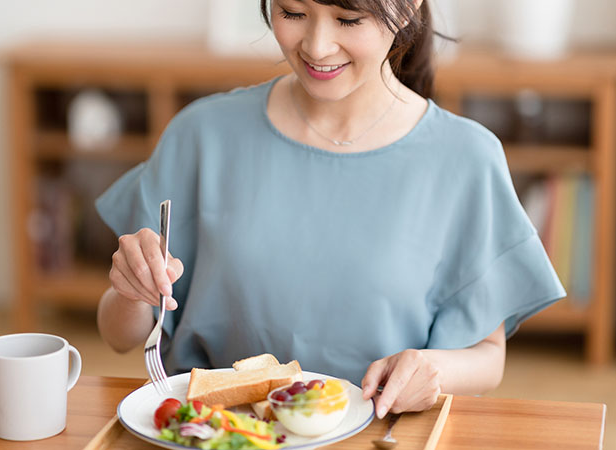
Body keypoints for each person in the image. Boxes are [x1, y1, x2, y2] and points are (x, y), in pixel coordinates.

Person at [95, 0, 565, 419]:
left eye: (348, 19)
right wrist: (132, 291)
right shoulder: (201, 135)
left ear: (406, 9)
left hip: (378, 434)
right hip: (216, 433)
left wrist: (432, 369)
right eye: (293, 13)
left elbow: (488, 355)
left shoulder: (466, 158)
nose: (317, 46)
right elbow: (119, 335)